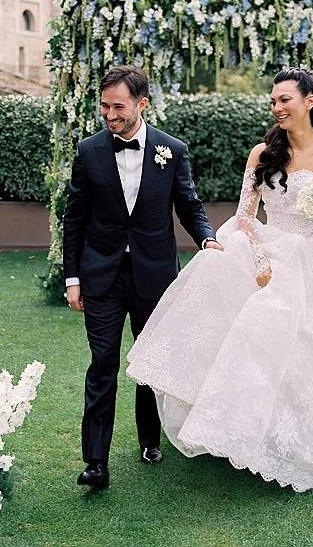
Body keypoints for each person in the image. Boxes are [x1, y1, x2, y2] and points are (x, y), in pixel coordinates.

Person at [127, 67, 313, 492]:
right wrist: (259, 262)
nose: (277, 108)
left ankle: (307, 433)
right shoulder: (263, 153)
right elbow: (244, 218)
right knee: (256, 332)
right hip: (270, 251)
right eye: (273, 101)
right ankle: (246, 427)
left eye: (284, 100)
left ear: (309, 101)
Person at [63, 65, 223, 489]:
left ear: (141, 104)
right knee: (102, 364)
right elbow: (74, 219)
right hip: (101, 276)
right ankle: (95, 462)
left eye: (118, 107)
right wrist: (72, 277)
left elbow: (189, 205)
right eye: (104, 107)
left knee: (149, 362)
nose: (109, 115)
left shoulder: (172, 150)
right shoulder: (89, 151)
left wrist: (206, 238)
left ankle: (150, 439)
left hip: (154, 274)